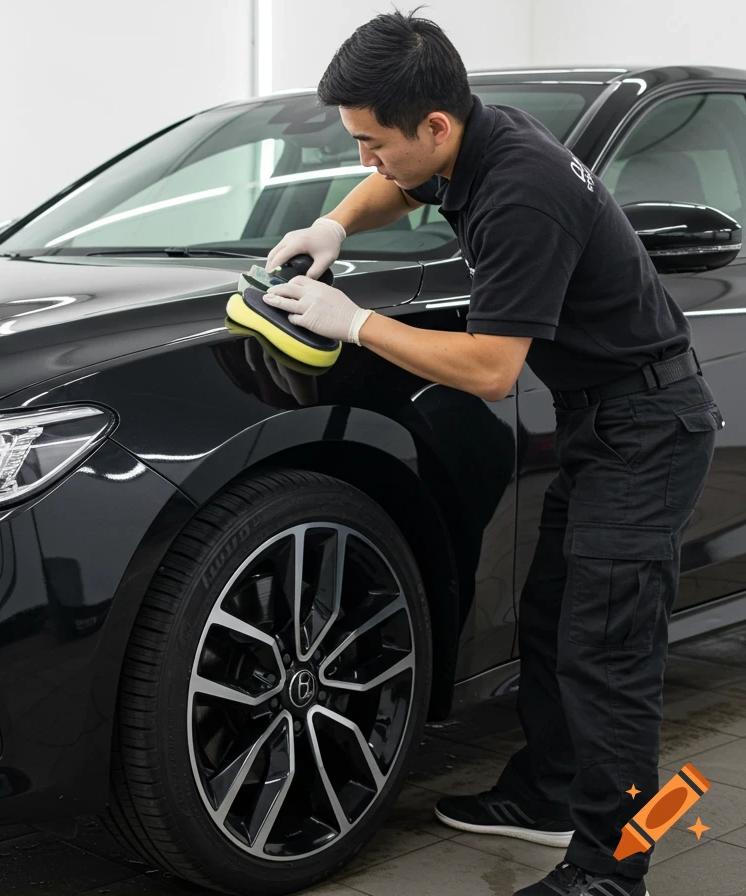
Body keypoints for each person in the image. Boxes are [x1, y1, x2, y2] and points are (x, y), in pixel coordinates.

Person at [263, 10, 722, 896]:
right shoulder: (473, 136)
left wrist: (357, 323)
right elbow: (404, 187)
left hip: (649, 428)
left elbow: (488, 367)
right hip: (605, 418)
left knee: (606, 653)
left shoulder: (521, 189)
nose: (367, 160)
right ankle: (552, 793)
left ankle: (610, 871)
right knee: (553, 620)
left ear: (434, 124)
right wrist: (334, 227)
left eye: (372, 142)